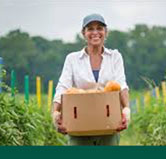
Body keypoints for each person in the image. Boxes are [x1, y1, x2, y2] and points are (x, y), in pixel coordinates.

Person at [51, 13, 131, 145]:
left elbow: (121, 84)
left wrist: (126, 110)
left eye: (99, 28)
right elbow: (63, 87)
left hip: (108, 124)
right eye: (90, 29)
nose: (95, 32)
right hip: (79, 125)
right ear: (83, 33)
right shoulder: (72, 59)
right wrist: (55, 113)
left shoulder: (115, 57)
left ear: (106, 32)